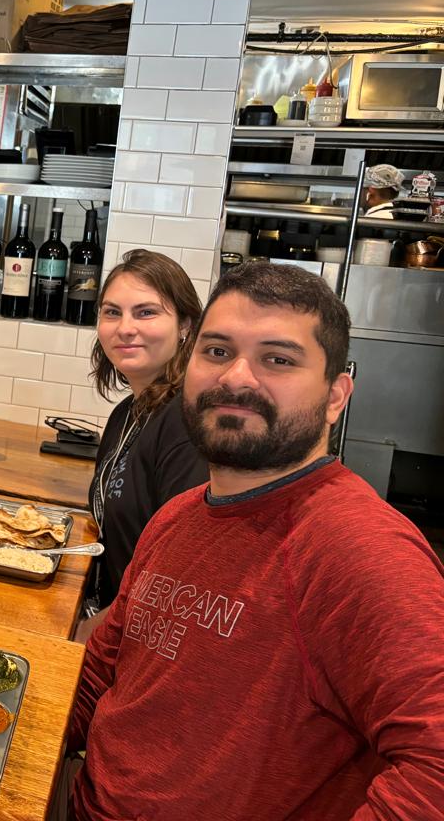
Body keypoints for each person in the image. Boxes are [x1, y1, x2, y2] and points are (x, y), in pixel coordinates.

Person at [70, 262, 444, 820]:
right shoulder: (177, 518)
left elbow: (434, 768)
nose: (237, 378)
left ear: (336, 395)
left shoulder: (360, 548)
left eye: (278, 359)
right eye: (218, 352)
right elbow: (101, 668)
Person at [80, 250, 208, 635]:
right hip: (106, 613)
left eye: (146, 312)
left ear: (185, 325)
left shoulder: (187, 421)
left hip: (143, 636)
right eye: (112, 312)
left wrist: (93, 633)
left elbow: (178, 573)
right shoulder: (126, 413)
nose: (125, 327)